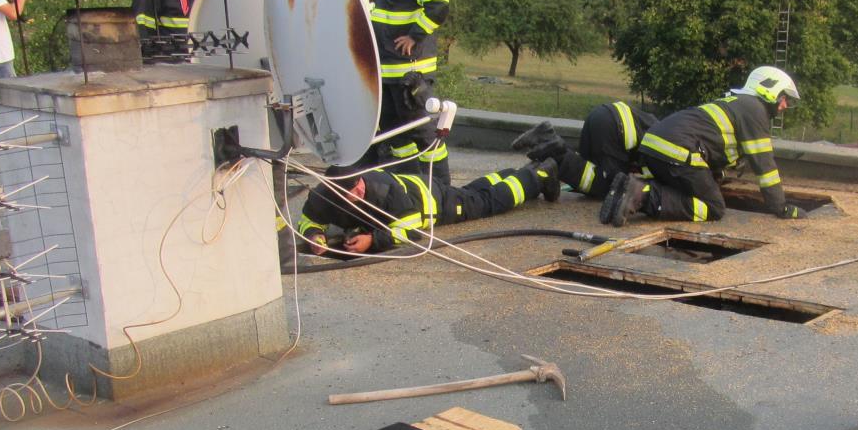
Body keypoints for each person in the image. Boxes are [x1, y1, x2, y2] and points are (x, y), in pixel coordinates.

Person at [601, 66, 804, 226]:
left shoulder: (733, 101)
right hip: (677, 151)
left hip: (653, 147)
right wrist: (781, 207)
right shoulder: (755, 109)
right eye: (783, 98)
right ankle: (642, 195)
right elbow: (765, 167)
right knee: (714, 207)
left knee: (687, 193)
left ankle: (625, 190)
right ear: (769, 88)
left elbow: (710, 140)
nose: (785, 105)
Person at [357, 0, 451, 185]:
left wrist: (414, 36)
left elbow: (439, 3)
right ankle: (408, 187)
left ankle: (441, 189)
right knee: (395, 133)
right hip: (388, 72)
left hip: (410, 73)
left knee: (423, 132)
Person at [296, 158, 560, 255]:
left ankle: (539, 176)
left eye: (359, 184)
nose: (360, 190)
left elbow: (410, 229)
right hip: (422, 187)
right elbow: (308, 219)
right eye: (352, 191)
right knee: (471, 193)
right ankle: (514, 172)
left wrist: (372, 241)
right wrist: (314, 236)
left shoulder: (384, 191)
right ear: (334, 192)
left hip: (433, 204)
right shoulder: (322, 196)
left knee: (486, 203)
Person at [510, 100, 658, 221]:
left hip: (601, 116)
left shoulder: (662, 129)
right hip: (615, 128)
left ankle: (548, 154)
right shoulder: (664, 158)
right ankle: (553, 153)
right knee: (610, 188)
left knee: (588, 172)